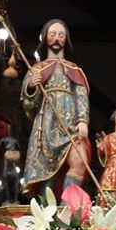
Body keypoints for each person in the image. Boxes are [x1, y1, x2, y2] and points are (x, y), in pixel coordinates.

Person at [22, 18, 91, 200]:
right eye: (52, 34)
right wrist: (31, 87)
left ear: (65, 39)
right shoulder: (37, 69)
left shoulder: (74, 69)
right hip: (45, 126)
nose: (56, 39)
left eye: (61, 35)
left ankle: (65, 211)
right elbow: (28, 105)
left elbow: (81, 96)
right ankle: (49, 218)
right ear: (46, 38)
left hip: (70, 125)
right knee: (48, 171)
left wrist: (83, 120)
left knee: (79, 161)